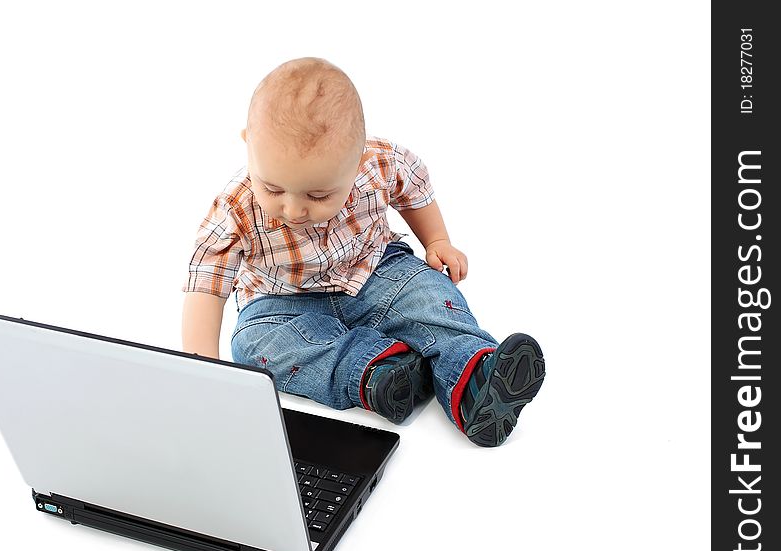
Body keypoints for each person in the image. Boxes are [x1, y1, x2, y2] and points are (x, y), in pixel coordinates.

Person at [181, 57, 545, 446]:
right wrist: (206, 370)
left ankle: (475, 379)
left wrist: (436, 240)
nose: (294, 208)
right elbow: (207, 284)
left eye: (319, 194)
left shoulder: (378, 162)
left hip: (378, 274)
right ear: (248, 145)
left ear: (356, 163)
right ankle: (381, 372)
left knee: (431, 298)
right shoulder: (235, 208)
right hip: (281, 303)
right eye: (272, 189)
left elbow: (413, 187)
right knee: (252, 345)